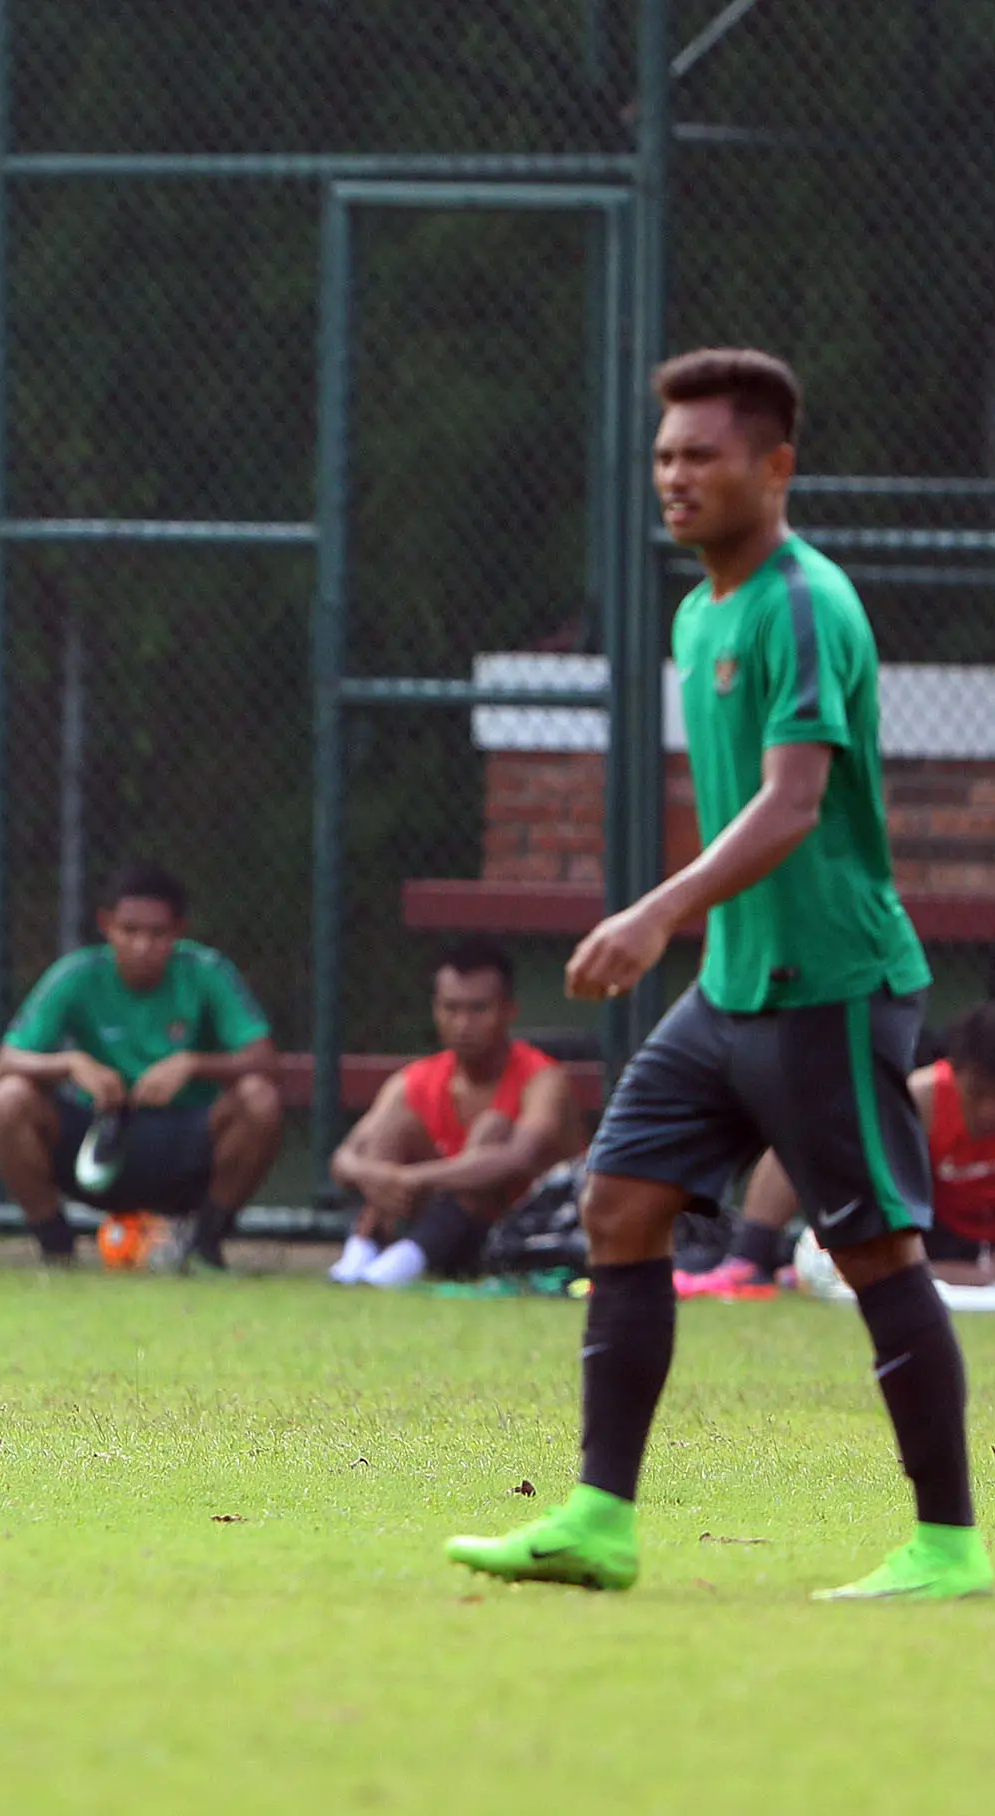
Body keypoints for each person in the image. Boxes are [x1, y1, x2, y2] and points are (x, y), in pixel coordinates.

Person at [448, 348, 987, 1602]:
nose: (677, 478)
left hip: (831, 986)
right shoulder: (700, 611)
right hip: (733, 990)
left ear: (774, 467)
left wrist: (656, 910)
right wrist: (691, 927)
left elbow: (794, 805)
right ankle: (598, 1518)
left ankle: (950, 1545)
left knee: (875, 1257)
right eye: (664, 456)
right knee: (618, 1207)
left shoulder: (805, 604)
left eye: (703, 454)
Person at [0, 861, 285, 1270]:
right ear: (106, 925)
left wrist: (192, 1063)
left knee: (259, 1099)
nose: (142, 946)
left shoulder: (207, 972)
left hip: (185, 1141)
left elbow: (265, 1059)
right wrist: (71, 1063)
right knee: (8, 1099)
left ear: (178, 931)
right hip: (98, 1137)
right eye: (129, 931)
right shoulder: (76, 975)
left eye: (157, 934)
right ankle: (56, 1248)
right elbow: (5, 1060)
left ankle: (204, 1244)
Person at [326, 939, 582, 1286]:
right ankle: (358, 1257)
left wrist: (417, 1178)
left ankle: (397, 1268)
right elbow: (344, 1158)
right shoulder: (414, 1079)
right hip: (445, 1226)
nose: (463, 1024)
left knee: (490, 1133)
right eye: (451, 1008)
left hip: (528, 1235)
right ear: (435, 1009)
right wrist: (377, 1175)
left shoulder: (543, 1079)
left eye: (478, 1009)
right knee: (391, 1126)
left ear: (509, 1010)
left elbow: (519, 1157)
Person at [704, 1003, 995, 1298]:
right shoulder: (922, 1096)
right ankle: (749, 1258)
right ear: (963, 1074)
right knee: (808, 1132)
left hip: (970, 1243)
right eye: (979, 1094)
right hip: (915, 1217)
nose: (987, 1112)